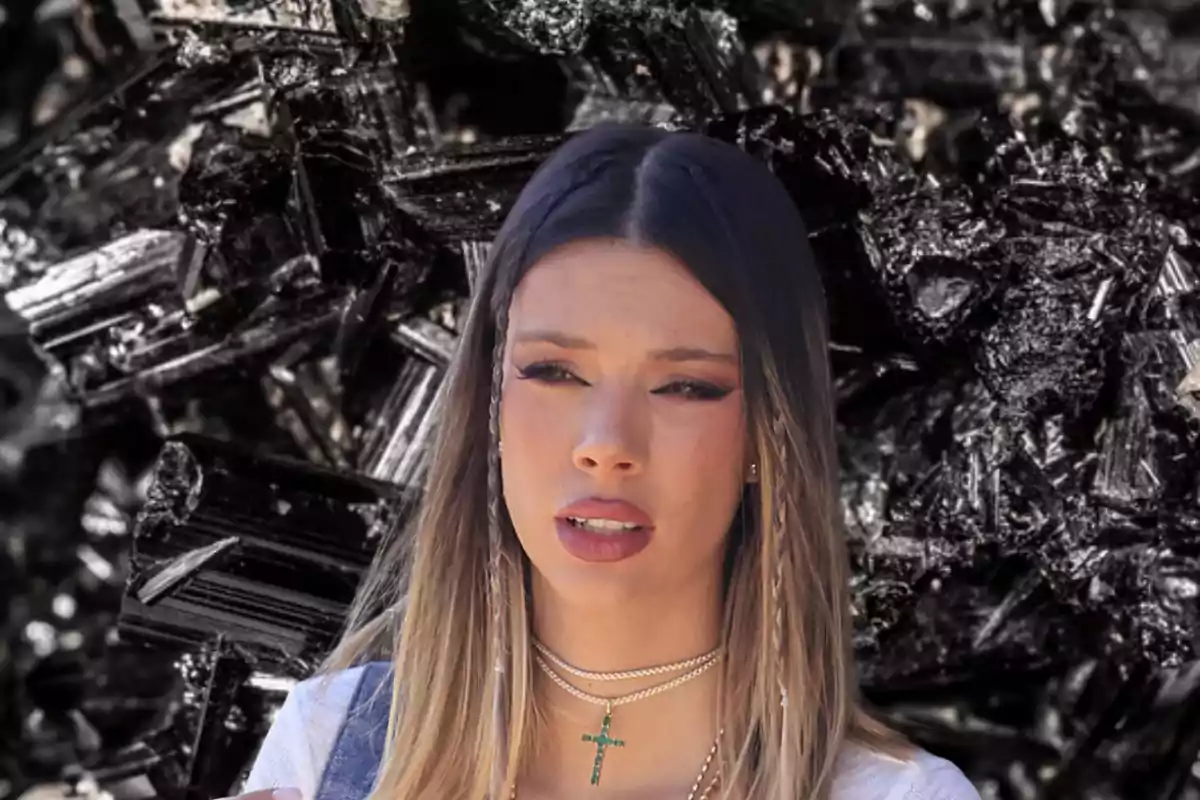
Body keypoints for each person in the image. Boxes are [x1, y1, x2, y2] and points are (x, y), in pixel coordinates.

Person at [226, 123, 981, 800]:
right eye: (554, 372)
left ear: (766, 433)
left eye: (686, 386)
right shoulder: (328, 748)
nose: (608, 441)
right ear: (489, 403)